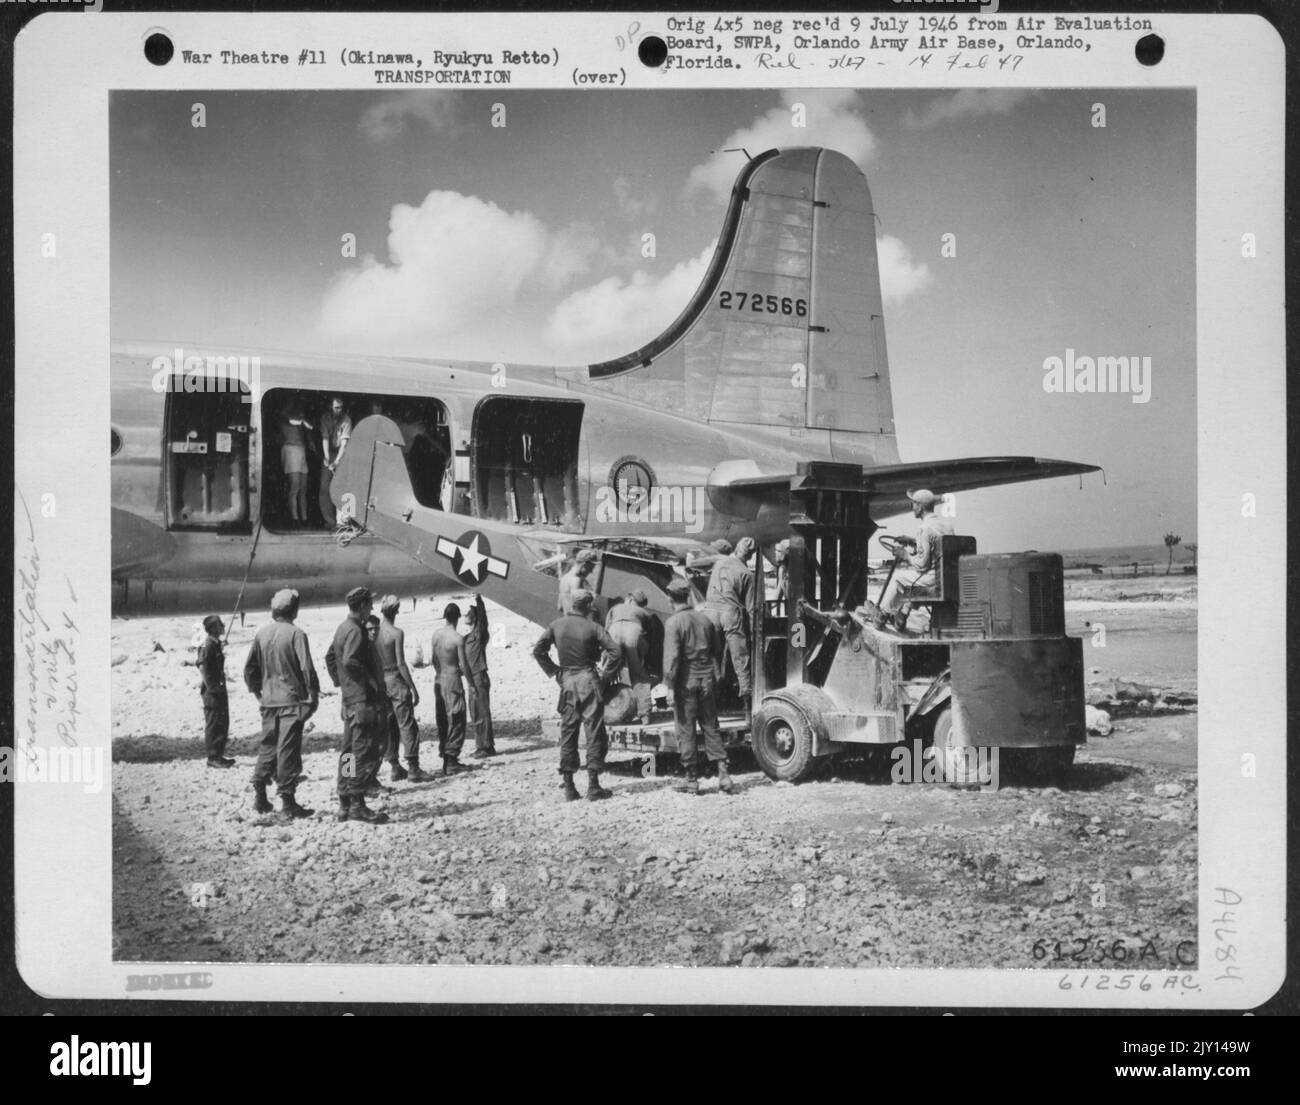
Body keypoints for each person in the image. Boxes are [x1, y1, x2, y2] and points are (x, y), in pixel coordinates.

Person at [532, 590, 622, 802]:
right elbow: (616, 652)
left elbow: (538, 650)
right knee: (594, 731)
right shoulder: (594, 627)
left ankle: (570, 786)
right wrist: (607, 676)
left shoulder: (556, 625)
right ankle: (593, 785)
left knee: (569, 731)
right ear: (589, 606)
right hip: (589, 680)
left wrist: (554, 671)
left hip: (567, 682)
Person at [242, 589, 319, 819]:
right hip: (291, 701)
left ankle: (260, 796)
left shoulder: (262, 634)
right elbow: (306, 668)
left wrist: (258, 693)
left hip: (269, 701)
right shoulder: (296, 634)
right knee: (287, 750)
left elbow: (249, 670)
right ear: (294, 610)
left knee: (267, 746)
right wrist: (313, 695)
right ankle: (287, 802)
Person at [662, 578, 733, 795]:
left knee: (686, 729)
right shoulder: (705, 620)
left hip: (685, 682)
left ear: (669, 598)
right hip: (706, 680)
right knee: (711, 726)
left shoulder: (673, 623)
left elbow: (672, 658)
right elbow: (717, 651)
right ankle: (724, 774)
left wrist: (670, 687)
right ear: (688, 596)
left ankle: (691, 780)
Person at [325, 587, 388, 824]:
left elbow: (331, 658)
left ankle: (344, 801)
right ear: (361, 605)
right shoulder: (356, 631)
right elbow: (350, 660)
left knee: (349, 752)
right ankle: (357, 804)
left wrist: (343, 684)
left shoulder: (342, 628)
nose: (371, 609)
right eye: (369, 605)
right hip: (361, 700)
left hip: (350, 699)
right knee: (363, 751)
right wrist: (368, 681)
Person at [876, 489, 954, 631]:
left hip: (932, 580)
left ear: (920, 506)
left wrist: (904, 555)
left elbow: (921, 565)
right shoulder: (946, 526)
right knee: (911, 579)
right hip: (945, 578)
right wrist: (912, 541)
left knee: (898, 579)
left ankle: (882, 615)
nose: (912, 507)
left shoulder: (924, 528)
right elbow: (935, 545)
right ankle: (902, 616)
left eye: (913, 504)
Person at [375, 595, 431, 781]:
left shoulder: (373, 632)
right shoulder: (396, 633)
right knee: (407, 724)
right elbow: (400, 663)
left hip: (379, 682)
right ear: (396, 611)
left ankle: (394, 766)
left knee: (389, 725)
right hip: (395, 679)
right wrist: (413, 687)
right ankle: (413, 767)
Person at [705, 536, 756, 719]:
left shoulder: (719, 563)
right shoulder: (747, 574)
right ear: (750, 556)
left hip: (710, 612)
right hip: (731, 614)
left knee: (711, 659)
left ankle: (710, 707)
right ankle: (747, 711)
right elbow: (750, 608)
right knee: (741, 660)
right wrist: (752, 631)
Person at [430, 603, 474, 775]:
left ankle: (445, 756)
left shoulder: (436, 635)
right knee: (457, 718)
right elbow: (463, 664)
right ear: (457, 617)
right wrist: (471, 683)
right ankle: (451, 758)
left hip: (439, 678)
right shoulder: (457, 638)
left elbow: (434, 659)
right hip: (452, 678)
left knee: (442, 719)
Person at [605, 589, 655, 721]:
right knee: (639, 675)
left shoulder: (615, 608)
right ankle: (645, 715)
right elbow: (650, 634)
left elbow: (605, 628)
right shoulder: (644, 612)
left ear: (630, 599)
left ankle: (596, 710)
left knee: (606, 671)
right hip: (634, 632)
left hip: (613, 632)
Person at [197, 614, 234, 768]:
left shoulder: (214, 643)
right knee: (214, 723)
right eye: (220, 625)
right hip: (213, 691)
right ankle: (213, 758)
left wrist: (219, 645)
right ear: (214, 628)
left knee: (222, 722)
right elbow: (202, 667)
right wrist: (213, 688)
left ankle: (218, 755)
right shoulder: (208, 645)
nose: (223, 627)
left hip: (218, 689)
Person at [463, 594, 495, 758]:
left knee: (482, 711)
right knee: (475, 712)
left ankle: (487, 746)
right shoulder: (467, 638)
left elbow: (484, 620)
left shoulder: (479, 633)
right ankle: (480, 744)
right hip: (471, 678)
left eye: (469, 613)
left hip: (479, 676)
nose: (465, 615)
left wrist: (479, 600)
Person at [279, 399, 313, 526]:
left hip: (301, 450)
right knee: (295, 487)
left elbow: (310, 429)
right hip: (290, 449)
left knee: (303, 488)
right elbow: (291, 421)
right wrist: (302, 421)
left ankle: (304, 519)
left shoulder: (301, 416)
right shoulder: (284, 415)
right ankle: (294, 519)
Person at [319, 397, 352, 526]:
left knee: (342, 488)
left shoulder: (347, 419)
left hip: (342, 454)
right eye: (336, 407)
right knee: (324, 488)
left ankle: (343, 521)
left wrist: (337, 461)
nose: (339, 410)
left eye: (341, 407)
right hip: (330, 453)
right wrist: (327, 458)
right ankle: (330, 520)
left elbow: (344, 444)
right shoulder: (325, 418)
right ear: (330, 407)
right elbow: (325, 438)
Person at [557, 548, 598, 616]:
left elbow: (560, 607)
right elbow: (577, 608)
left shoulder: (564, 578)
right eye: (590, 568)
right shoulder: (576, 580)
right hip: (575, 622)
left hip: (567, 619)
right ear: (584, 565)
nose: (591, 572)